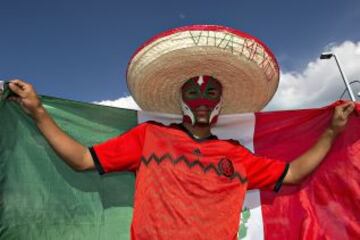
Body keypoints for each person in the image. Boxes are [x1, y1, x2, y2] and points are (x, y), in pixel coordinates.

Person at [6, 25, 357, 239]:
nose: (202, 100)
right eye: (193, 92)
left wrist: (331, 131)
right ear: (181, 99)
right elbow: (82, 159)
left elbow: (293, 173)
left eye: (210, 93)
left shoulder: (236, 155)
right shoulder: (150, 138)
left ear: (220, 102)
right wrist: (37, 112)